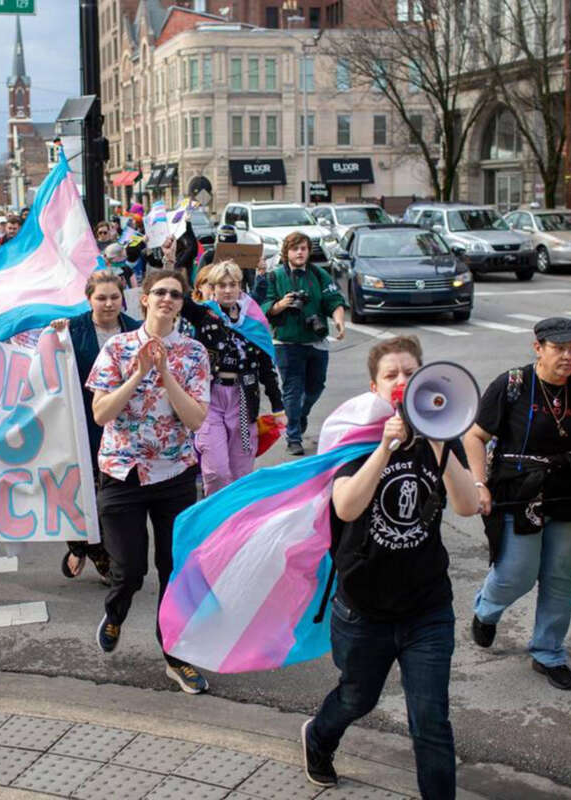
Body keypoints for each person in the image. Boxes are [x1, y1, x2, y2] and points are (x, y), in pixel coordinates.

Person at [301, 336, 479, 797]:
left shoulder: (442, 433)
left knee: (431, 720)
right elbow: (345, 507)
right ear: (374, 386)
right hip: (364, 609)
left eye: (409, 372)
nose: (401, 381)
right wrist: (383, 448)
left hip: (427, 608)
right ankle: (319, 737)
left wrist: (442, 444)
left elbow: (465, 506)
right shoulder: (355, 435)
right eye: (391, 375)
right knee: (357, 698)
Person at [464, 317, 571, 691]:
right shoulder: (512, 385)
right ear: (538, 348)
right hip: (519, 492)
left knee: (559, 577)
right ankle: (486, 609)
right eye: (560, 348)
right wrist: (479, 484)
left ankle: (549, 653)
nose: (569, 356)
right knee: (515, 573)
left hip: (569, 492)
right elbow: (475, 436)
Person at [87, 269, 212, 695]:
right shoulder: (117, 347)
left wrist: (166, 373)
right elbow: (101, 414)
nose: (167, 299)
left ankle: (176, 656)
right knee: (130, 571)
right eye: (159, 292)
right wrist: (139, 373)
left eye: (176, 294)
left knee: (175, 571)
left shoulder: (194, 353)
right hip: (121, 472)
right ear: (143, 298)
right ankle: (116, 612)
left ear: (182, 303)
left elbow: (196, 419)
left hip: (174, 473)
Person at [48, 271, 142, 582]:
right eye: (101, 297)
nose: (108, 303)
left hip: (123, 425)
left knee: (113, 497)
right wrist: (56, 336)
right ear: (89, 300)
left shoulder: (135, 329)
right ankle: (84, 547)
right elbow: (48, 363)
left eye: (114, 296)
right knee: (80, 490)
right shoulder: (72, 329)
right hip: (80, 421)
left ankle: (108, 552)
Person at [191, 261, 283, 494]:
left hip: (243, 399)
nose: (228, 290)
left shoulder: (253, 318)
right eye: (222, 285)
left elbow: (265, 367)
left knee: (241, 471)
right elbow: (177, 297)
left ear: (240, 286)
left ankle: (237, 522)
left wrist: (278, 405)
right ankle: (215, 516)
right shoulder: (204, 315)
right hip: (210, 399)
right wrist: (171, 261)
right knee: (217, 471)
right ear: (212, 287)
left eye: (232, 284)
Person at [262, 232, 347, 456]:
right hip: (286, 342)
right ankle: (293, 437)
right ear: (286, 252)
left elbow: (334, 301)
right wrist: (281, 304)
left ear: (309, 251)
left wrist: (339, 322)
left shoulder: (319, 275)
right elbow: (264, 307)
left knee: (315, 387)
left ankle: (300, 414)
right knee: (292, 390)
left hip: (315, 341)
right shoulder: (275, 276)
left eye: (303, 248)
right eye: (295, 248)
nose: (300, 252)